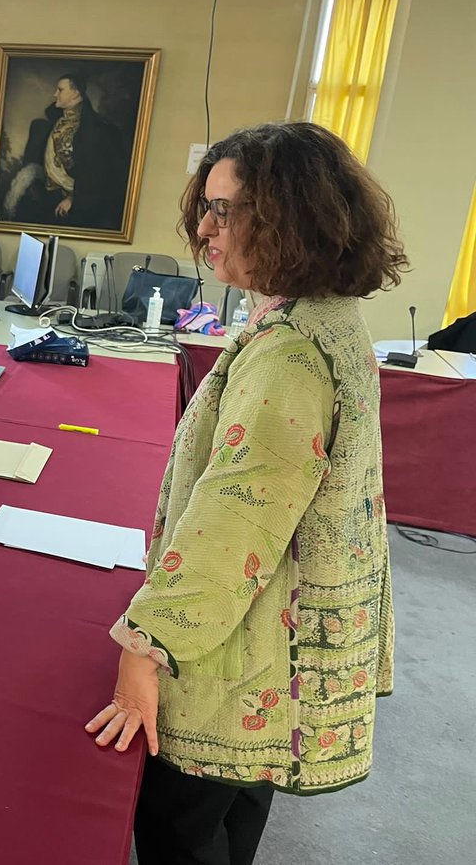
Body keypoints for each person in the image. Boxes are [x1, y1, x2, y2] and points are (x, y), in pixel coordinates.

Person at [85, 122, 403, 864]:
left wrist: (146, 646)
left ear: (290, 215)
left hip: (234, 658)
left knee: (183, 833)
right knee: (234, 818)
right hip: (269, 651)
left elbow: (235, 525)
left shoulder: (292, 351)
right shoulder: (320, 316)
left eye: (224, 210)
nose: (203, 228)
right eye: (207, 207)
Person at [2, 72, 129, 231]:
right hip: (47, 198)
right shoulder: (52, 123)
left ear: (75, 93)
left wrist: (72, 199)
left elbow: (98, 175)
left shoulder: (98, 131)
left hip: (75, 205)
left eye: (60, 90)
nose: (55, 94)